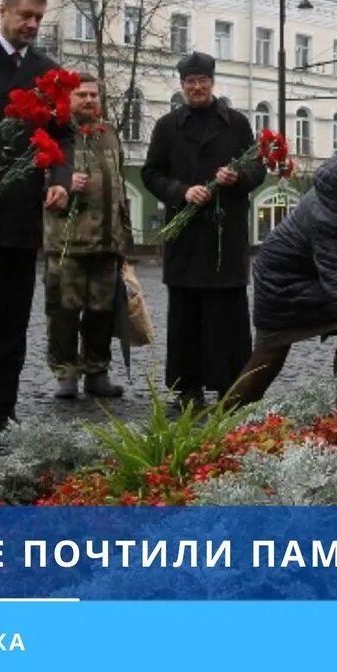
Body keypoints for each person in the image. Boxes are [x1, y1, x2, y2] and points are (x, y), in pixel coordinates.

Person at [0, 0, 73, 432]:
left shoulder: (48, 70)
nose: (31, 25)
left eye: (39, 18)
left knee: (13, 321)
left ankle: (1, 411)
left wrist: (60, 180)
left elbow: (64, 134)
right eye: (24, 15)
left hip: (24, 215)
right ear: (2, 11)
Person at [229, 143, 337, 405]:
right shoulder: (327, 217)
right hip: (282, 280)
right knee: (271, 351)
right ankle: (224, 422)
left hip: (310, 272)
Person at [142, 52, 263, 409]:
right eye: (190, 81)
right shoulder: (167, 126)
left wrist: (238, 176)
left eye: (202, 81)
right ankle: (186, 388)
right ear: (182, 86)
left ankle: (232, 386)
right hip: (186, 239)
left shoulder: (237, 124)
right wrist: (181, 192)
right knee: (186, 316)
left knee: (228, 314)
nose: (196, 87)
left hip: (226, 238)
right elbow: (151, 173)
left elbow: (258, 169)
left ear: (212, 82)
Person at [42, 74, 133, 399]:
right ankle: (66, 373)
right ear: (68, 98)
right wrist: (63, 183)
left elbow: (120, 183)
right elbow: (36, 176)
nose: (90, 101)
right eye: (81, 95)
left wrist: (124, 238)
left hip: (107, 243)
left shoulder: (109, 134)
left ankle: (97, 371)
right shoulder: (55, 134)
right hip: (66, 243)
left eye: (94, 95)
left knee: (102, 313)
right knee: (63, 312)